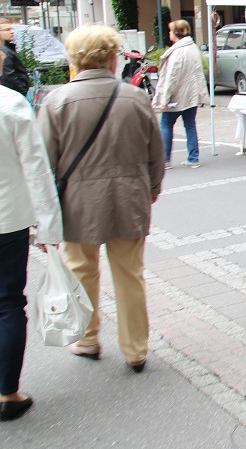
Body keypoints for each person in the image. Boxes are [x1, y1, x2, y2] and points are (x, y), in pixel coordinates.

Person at [37, 25, 166, 373]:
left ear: (75, 59)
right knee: (129, 275)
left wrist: (44, 213)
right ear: (112, 57)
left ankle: (88, 339)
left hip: (77, 203)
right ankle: (136, 349)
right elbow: (156, 153)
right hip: (129, 197)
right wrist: (151, 189)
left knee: (82, 272)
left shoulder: (56, 101)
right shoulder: (136, 98)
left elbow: (45, 164)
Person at [0, 84, 62, 421]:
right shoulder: (10, 104)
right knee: (8, 303)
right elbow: (36, 169)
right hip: (7, 218)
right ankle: (8, 392)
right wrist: (49, 226)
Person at [152, 19, 209, 169]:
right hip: (192, 94)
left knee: (166, 123)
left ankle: (165, 160)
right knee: (190, 124)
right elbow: (199, 73)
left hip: (176, 96)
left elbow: (171, 78)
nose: (169, 33)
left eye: (171, 31)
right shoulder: (193, 48)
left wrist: (165, 99)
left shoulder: (177, 52)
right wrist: (202, 95)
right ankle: (193, 158)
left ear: (176, 33)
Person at [0, 18, 30, 96]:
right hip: (13, 95)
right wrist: (22, 92)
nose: (12, 32)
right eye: (7, 30)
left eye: (12, 29)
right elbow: (8, 77)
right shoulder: (4, 51)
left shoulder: (6, 49)